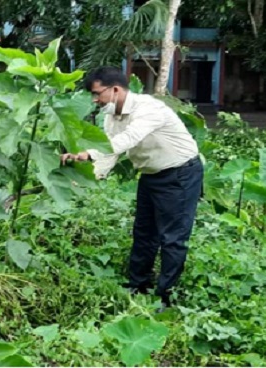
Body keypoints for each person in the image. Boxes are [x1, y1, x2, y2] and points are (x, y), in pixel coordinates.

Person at [61, 66, 203, 310]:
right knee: (144, 232)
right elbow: (110, 153)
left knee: (173, 238)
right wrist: (84, 179)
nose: (95, 100)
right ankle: (137, 285)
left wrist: (88, 153)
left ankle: (166, 297)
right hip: (150, 174)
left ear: (115, 89)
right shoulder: (110, 117)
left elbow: (127, 140)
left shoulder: (149, 109)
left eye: (98, 94)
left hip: (180, 173)